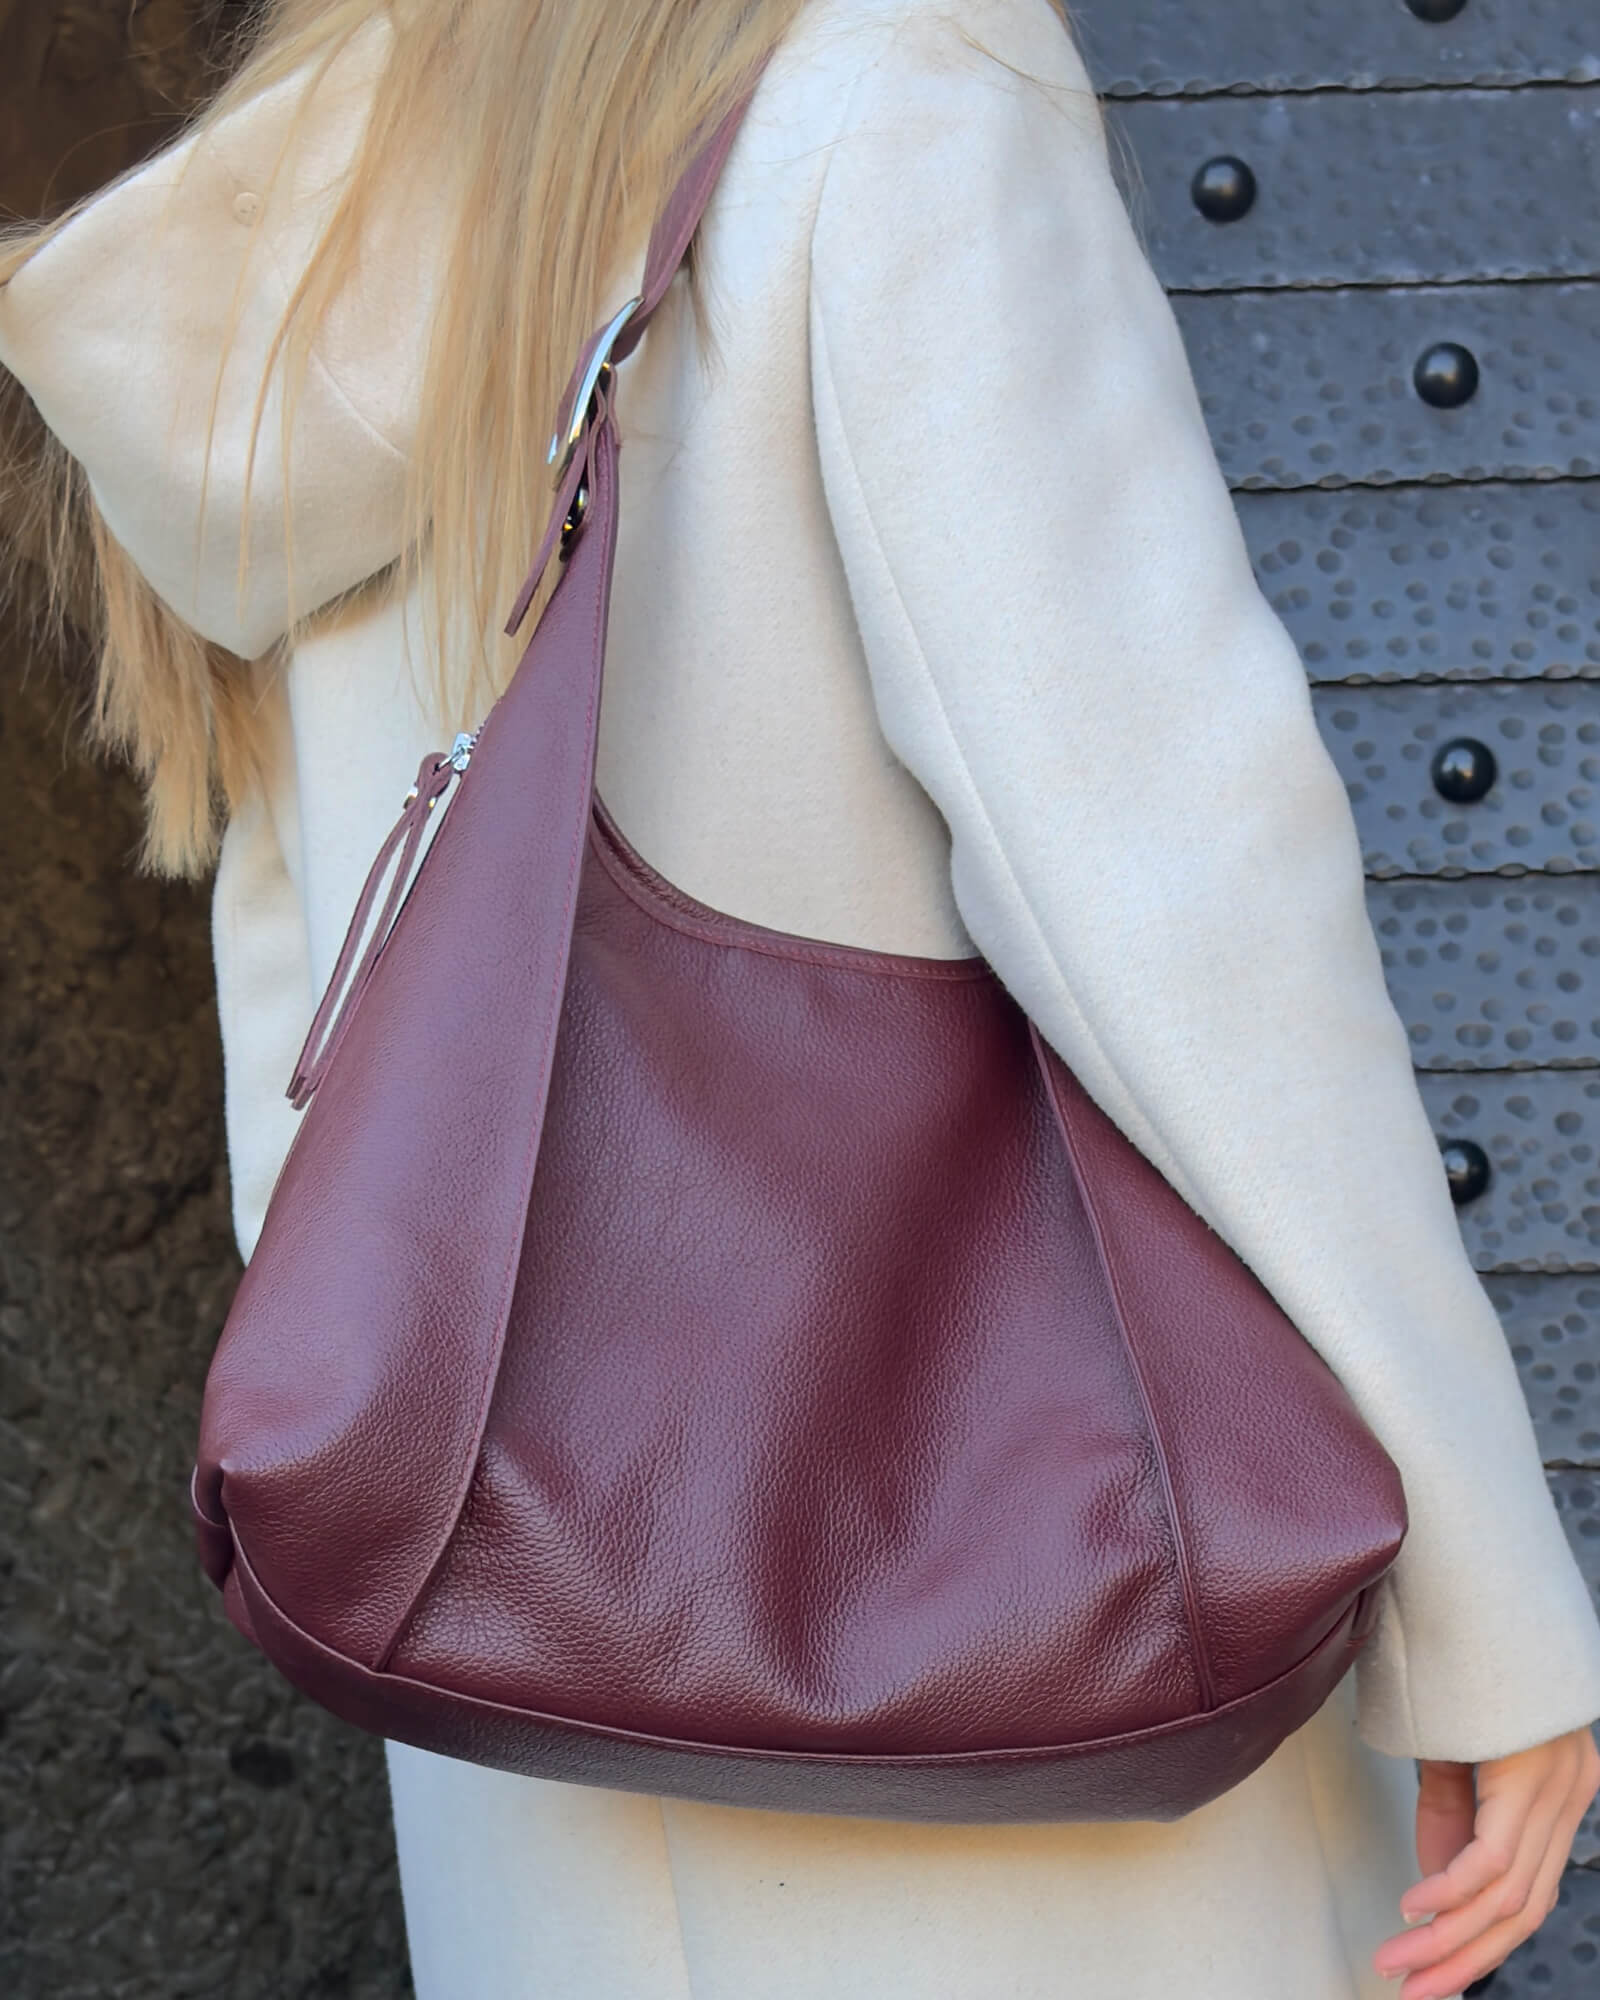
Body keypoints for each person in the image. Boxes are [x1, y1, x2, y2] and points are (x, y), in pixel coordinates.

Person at [3, 0, 1598, 1994]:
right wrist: (1479, 1592)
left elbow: (318, 997)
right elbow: (1168, 889)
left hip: (536, 1703)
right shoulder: (896, 90)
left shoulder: (325, 200)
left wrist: (478, 1426)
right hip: (996, 1669)